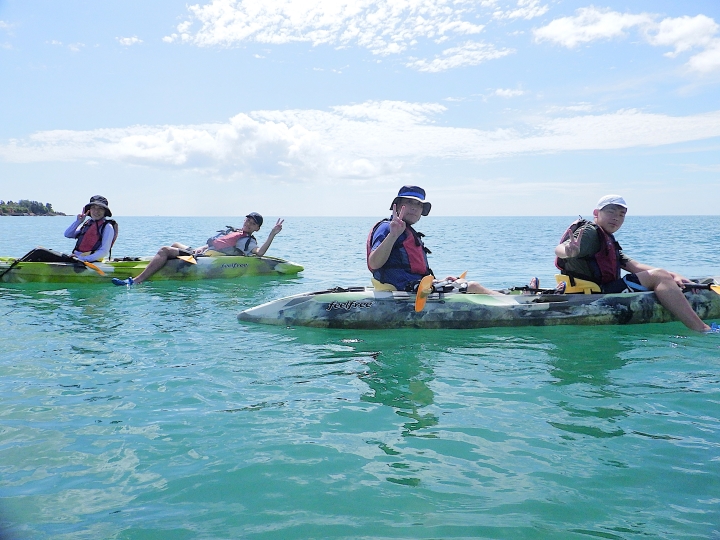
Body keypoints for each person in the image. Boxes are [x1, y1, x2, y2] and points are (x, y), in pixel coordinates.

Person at [555, 194, 713, 332]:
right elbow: (560, 249)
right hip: (595, 294)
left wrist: (673, 276)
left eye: (621, 214)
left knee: (661, 275)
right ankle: (701, 328)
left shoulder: (606, 238)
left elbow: (634, 266)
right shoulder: (590, 232)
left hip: (593, 290)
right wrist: (569, 251)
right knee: (659, 276)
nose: (616, 217)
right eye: (611, 211)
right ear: (596, 213)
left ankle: (670, 292)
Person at [367, 185, 499, 294]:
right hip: (404, 288)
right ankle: (513, 305)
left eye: (419, 204)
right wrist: (393, 235)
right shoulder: (387, 228)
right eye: (409, 202)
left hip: (416, 286)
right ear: (397, 205)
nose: (414, 207)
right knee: (472, 286)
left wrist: (437, 281)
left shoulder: (407, 230)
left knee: (459, 282)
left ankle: (502, 296)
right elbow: (374, 263)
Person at [112, 213, 283, 286]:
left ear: (257, 229)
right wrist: (200, 248)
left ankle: (137, 280)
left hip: (202, 261)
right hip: (200, 253)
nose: (248, 223)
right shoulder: (235, 232)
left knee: (165, 250)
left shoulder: (246, 241)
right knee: (176, 244)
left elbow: (259, 253)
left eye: (252, 223)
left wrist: (272, 234)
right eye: (247, 220)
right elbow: (214, 244)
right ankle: (156, 264)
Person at [64, 195, 118, 262]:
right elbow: (67, 234)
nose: (96, 211)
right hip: (76, 259)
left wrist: (82, 259)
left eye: (100, 208)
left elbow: (104, 251)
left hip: (92, 261)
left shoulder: (107, 227)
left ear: (105, 211)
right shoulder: (88, 223)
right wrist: (78, 221)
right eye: (93, 208)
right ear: (90, 210)